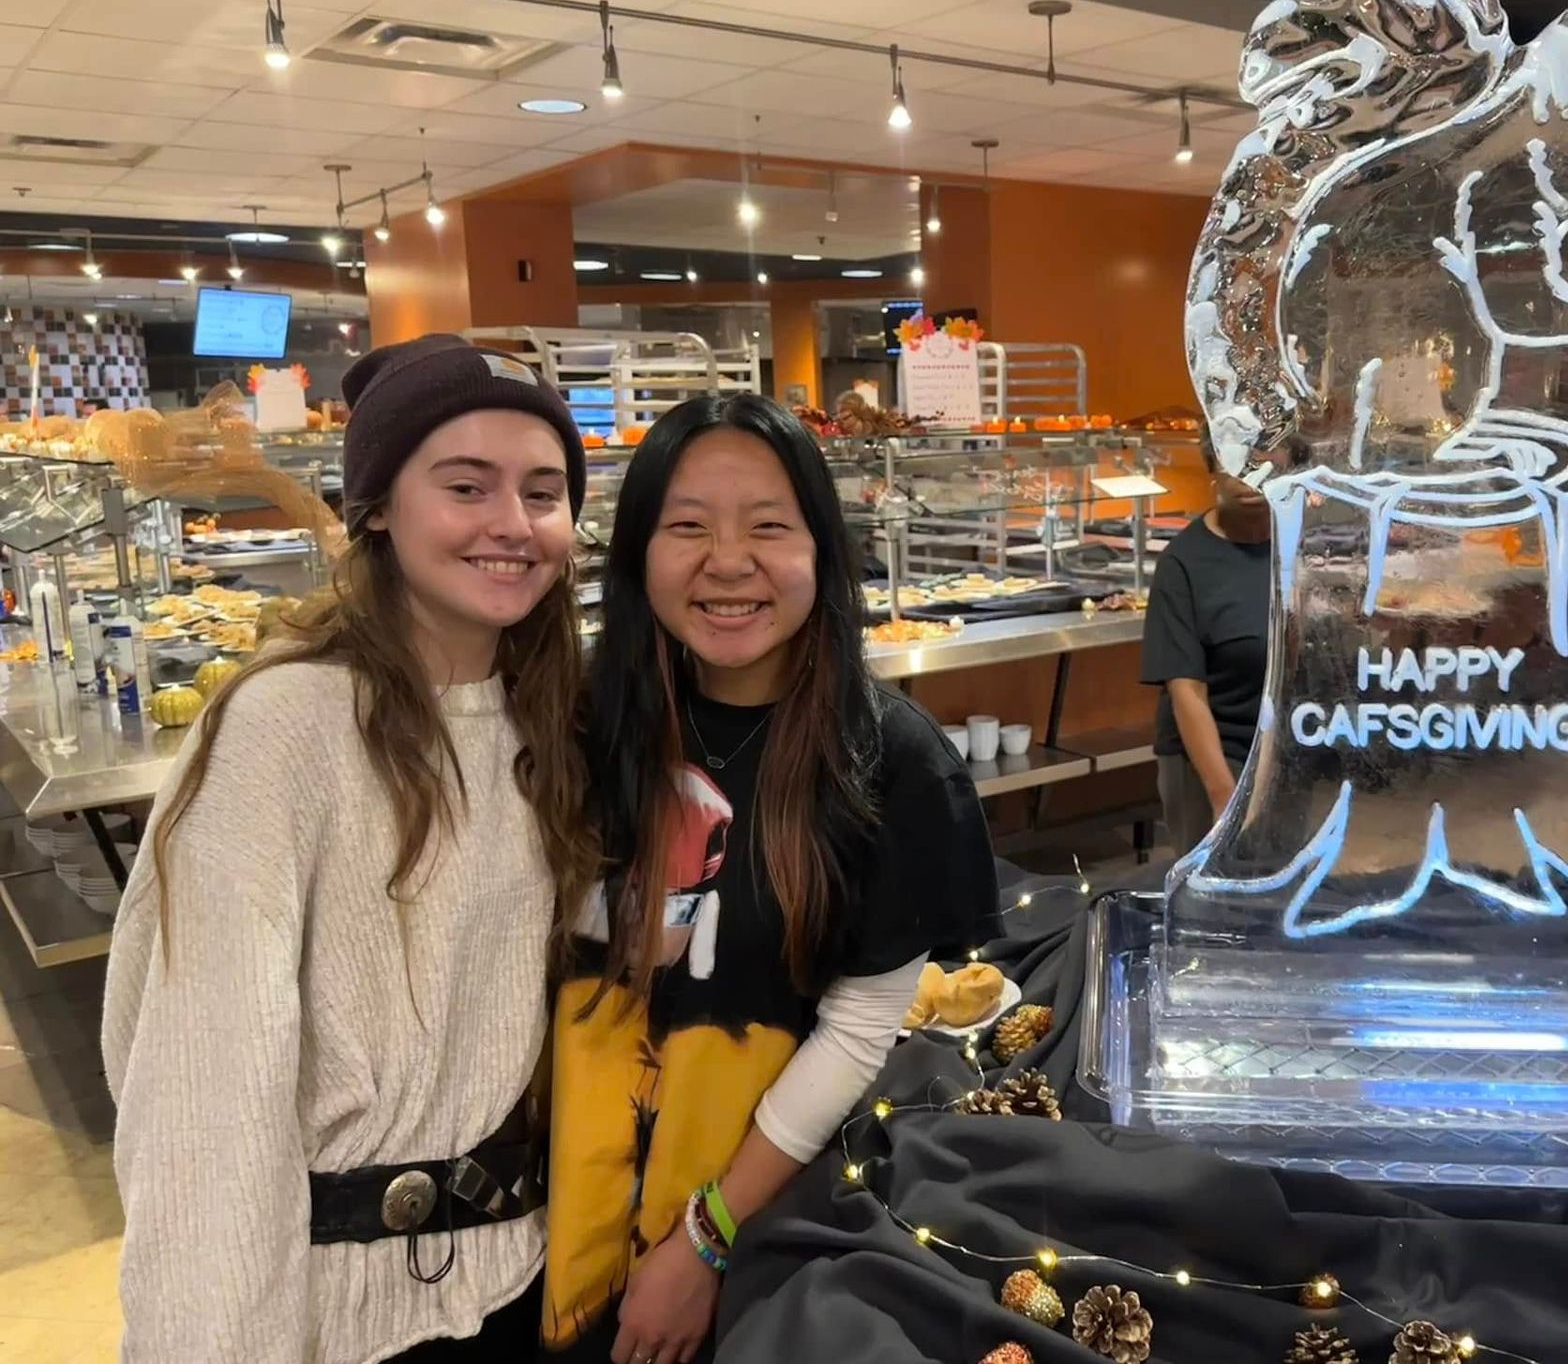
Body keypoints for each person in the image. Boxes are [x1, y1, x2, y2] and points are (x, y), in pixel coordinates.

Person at [102, 334, 596, 1362]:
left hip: (526, 1284)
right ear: (376, 507)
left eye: (544, 493)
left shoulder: (551, 721)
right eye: (467, 485)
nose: (514, 524)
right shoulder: (283, 729)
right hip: (339, 1320)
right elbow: (203, 1108)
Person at [543, 393, 1000, 1362]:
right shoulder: (580, 725)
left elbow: (860, 1029)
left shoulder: (889, 761)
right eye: (688, 527)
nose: (728, 562)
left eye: (767, 527)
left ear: (821, 552)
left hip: (759, 1228)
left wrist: (705, 1240)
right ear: (638, 554)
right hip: (552, 1210)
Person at [1141, 427, 1273, 852]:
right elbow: (1187, 693)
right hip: (1212, 754)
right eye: (1236, 460)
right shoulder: (1183, 564)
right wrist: (1223, 797)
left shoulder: (1304, 547)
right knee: (1213, 899)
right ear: (1212, 469)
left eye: (1264, 459)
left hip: (1283, 749)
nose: (1250, 475)